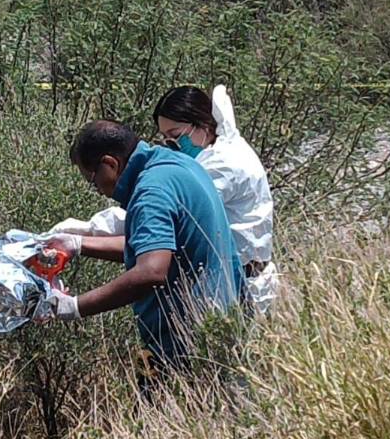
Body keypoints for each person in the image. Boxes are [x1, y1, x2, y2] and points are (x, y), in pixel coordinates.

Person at [49, 85, 278, 313]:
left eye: (176, 136)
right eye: (165, 138)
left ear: (202, 125)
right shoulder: (200, 160)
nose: (172, 145)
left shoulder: (223, 165)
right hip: (226, 284)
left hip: (238, 288)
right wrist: (77, 241)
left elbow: (154, 227)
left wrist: (86, 232)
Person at [44, 120, 245, 372]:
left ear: (110, 164)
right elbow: (154, 244)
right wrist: (77, 244)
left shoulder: (151, 193)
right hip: (223, 323)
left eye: (93, 180)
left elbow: (151, 270)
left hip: (186, 343)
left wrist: (72, 306)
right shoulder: (175, 164)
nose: (97, 190)